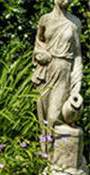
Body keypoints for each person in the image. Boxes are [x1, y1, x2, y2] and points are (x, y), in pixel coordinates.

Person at [32, 0, 83, 142]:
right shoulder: (45, 20)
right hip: (45, 71)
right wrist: (40, 54)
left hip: (63, 71)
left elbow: (77, 55)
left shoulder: (75, 22)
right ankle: (45, 153)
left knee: (53, 117)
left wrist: (76, 85)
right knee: (42, 118)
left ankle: (57, 151)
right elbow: (38, 45)